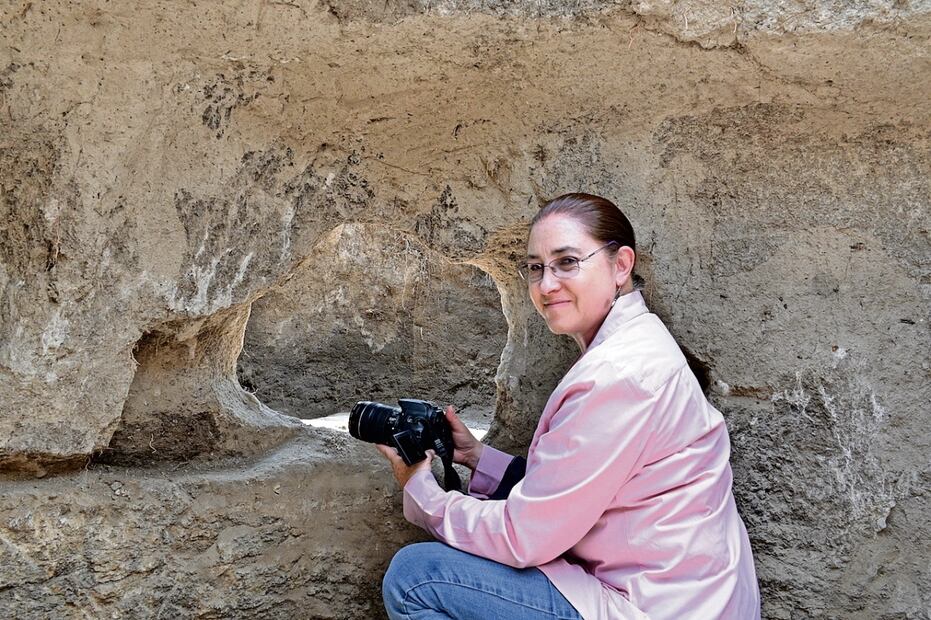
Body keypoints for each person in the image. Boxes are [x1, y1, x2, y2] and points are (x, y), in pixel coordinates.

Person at [376, 193, 761, 619]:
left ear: (620, 265)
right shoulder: (634, 344)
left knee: (416, 578)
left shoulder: (618, 375)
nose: (546, 285)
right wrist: (478, 458)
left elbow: (526, 538)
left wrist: (419, 487)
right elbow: (575, 491)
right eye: (535, 267)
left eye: (567, 262)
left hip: (657, 609)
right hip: (683, 597)